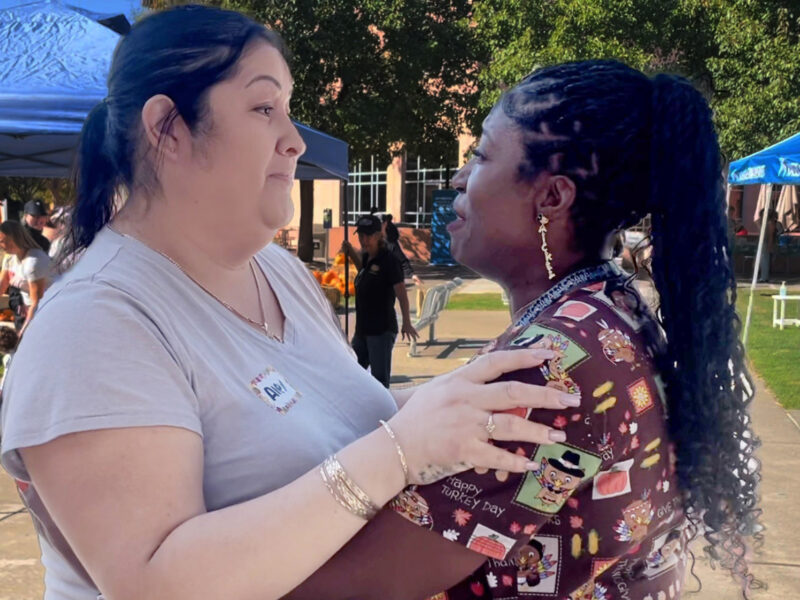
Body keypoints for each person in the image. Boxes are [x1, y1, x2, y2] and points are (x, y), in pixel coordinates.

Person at [0, 7, 575, 600]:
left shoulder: (277, 271)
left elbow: (333, 418)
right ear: (167, 128)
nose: (294, 140)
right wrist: (400, 452)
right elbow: (157, 582)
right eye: (263, 108)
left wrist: (465, 398)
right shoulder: (96, 322)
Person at [286, 61, 761, 600]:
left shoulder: (550, 366)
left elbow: (353, 585)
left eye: (481, 155)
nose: (457, 179)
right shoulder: (613, 306)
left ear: (552, 198)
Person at [340, 214, 418, 387]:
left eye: (368, 235)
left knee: (379, 381)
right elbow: (364, 271)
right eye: (361, 236)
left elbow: (401, 293)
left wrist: (406, 321)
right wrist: (351, 251)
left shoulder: (389, 260)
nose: (364, 240)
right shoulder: (367, 256)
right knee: (353, 375)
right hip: (363, 330)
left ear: (378, 236)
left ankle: (384, 413)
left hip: (381, 330)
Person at [0, 221, 51, 334]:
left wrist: (22, 332)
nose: (0, 246)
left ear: (14, 239)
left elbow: (37, 303)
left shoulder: (34, 262)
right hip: (29, 311)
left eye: (2, 242)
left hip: (47, 311)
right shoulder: (9, 259)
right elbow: (1, 286)